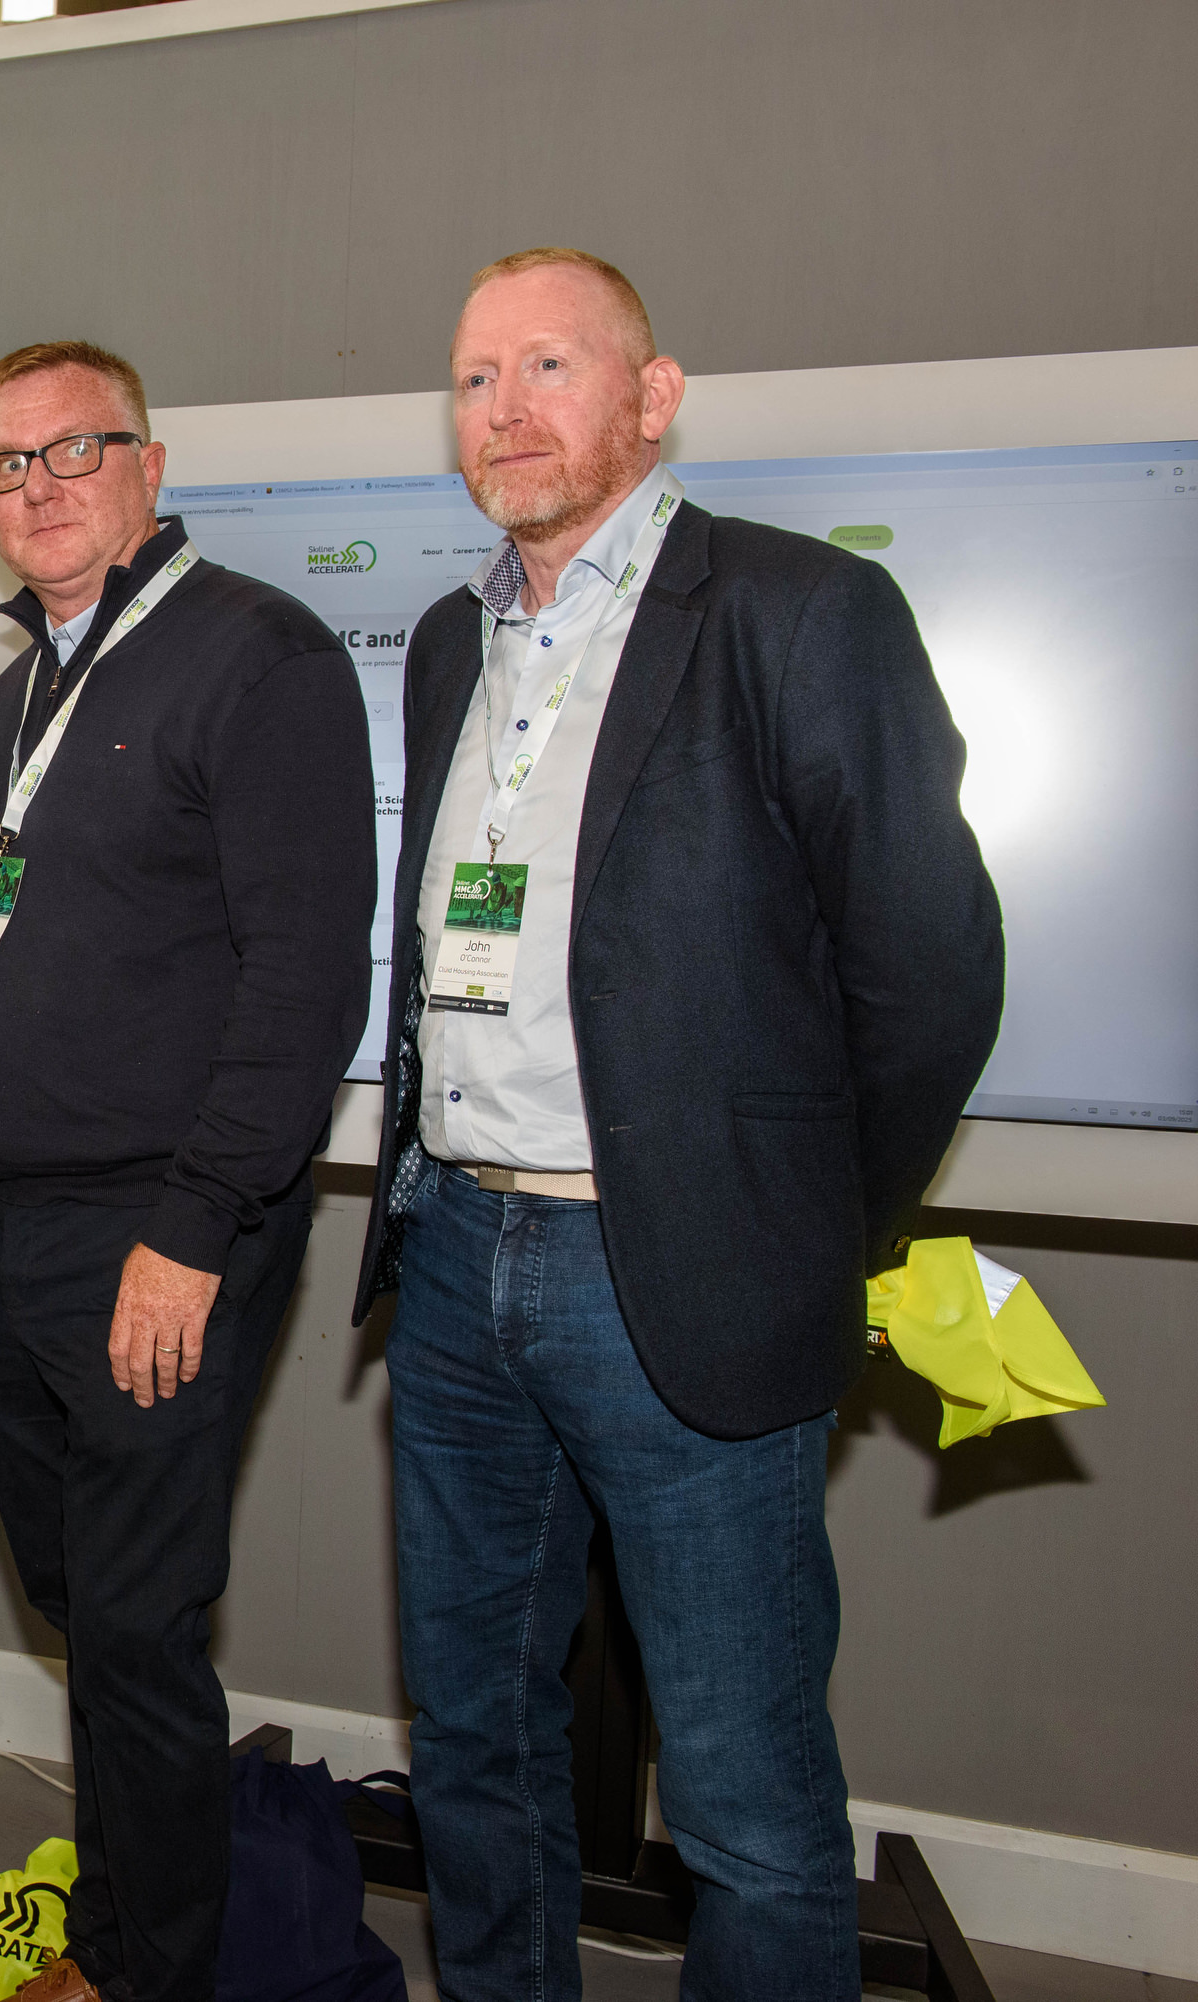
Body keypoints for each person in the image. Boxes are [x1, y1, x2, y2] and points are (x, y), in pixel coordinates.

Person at [350, 249, 1002, 2000]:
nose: (504, 410)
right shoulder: (448, 640)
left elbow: (932, 971)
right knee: (474, 1740)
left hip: (680, 1276)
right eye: (474, 377)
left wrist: (806, 1224)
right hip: (458, 1254)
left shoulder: (798, 612)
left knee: (744, 1799)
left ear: (654, 397)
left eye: (548, 367)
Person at [0, 341, 376, 2002]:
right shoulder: (20, 694)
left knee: (134, 1623)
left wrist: (192, 1231)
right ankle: (116, 1944)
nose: (36, 487)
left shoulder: (260, 656)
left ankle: (146, 1974)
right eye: (2, 464)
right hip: (9, 1232)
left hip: (159, 1230)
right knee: (90, 1611)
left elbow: (303, 982)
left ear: (152, 462)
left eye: (74, 449)